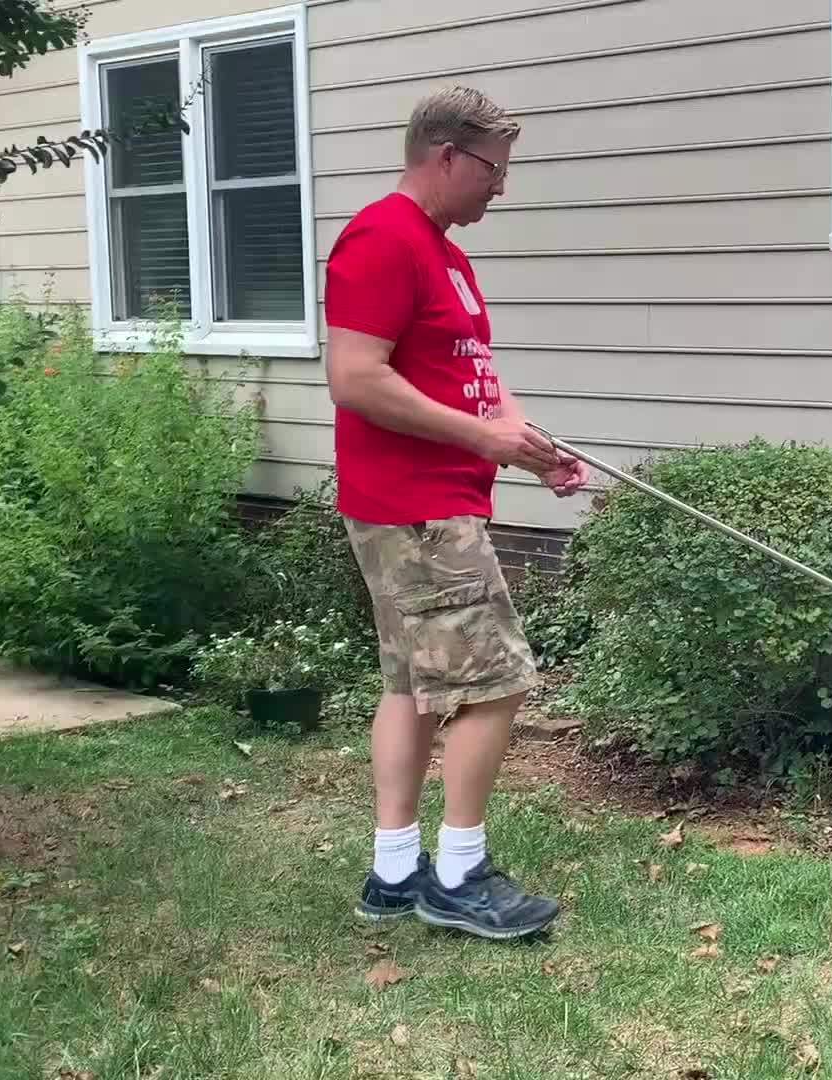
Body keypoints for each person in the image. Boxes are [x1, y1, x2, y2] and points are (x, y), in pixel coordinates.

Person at [322, 85, 588, 941]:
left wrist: (529, 443)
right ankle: (460, 875)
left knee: (412, 688)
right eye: (492, 170)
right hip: (416, 510)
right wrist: (485, 438)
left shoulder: (445, 256)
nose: (501, 187)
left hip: (434, 502)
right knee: (496, 682)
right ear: (444, 156)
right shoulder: (381, 239)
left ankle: (396, 872)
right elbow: (354, 378)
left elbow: (473, 373)